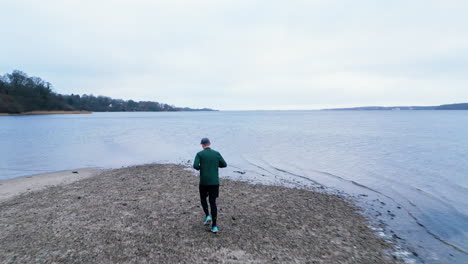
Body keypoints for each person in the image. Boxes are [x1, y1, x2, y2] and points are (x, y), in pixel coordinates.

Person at [193, 138, 227, 233]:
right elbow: (224, 164)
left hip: (204, 182)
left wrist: (202, 167)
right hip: (214, 182)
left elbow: (195, 166)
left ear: (202, 145)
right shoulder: (216, 153)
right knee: (213, 202)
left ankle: (207, 215)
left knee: (203, 199)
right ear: (209, 144)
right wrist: (215, 165)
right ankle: (214, 226)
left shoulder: (200, 154)